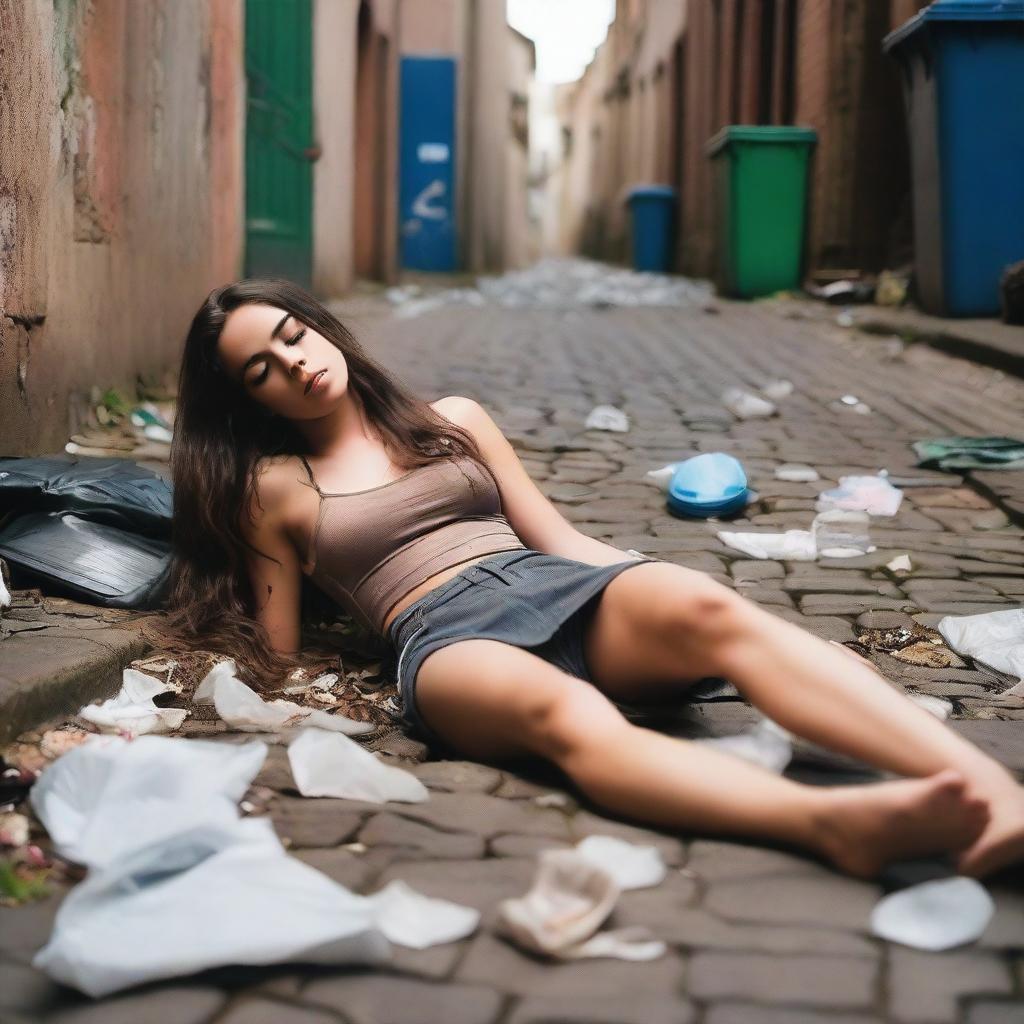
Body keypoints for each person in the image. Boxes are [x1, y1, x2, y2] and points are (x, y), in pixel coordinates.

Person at [165, 278, 1024, 881]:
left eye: (292, 336)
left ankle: (989, 789)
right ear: (253, 401)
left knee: (704, 604)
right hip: (443, 638)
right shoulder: (272, 488)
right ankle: (831, 828)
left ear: (319, 327)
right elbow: (277, 644)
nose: (293, 363)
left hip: (545, 580)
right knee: (567, 716)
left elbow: (562, 539)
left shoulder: (453, 419)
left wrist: (723, 618)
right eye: (261, 370)